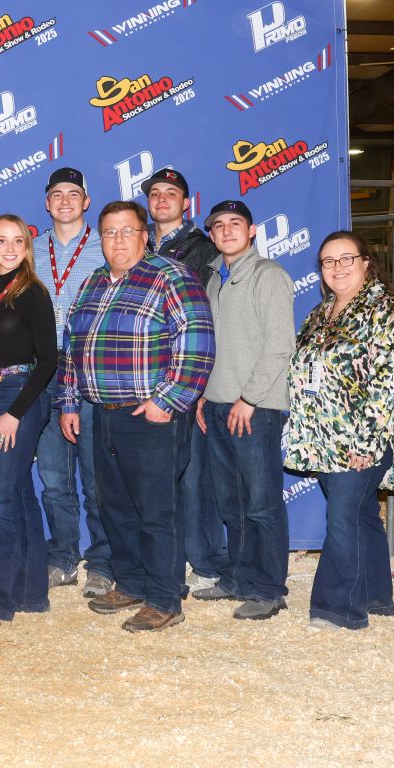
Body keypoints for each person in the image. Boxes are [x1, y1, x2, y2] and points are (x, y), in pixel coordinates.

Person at [61, 200, 214, 632]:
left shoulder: (171, 276)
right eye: (110, 232)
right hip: (102, 413)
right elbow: (72, 348)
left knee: (156, 510)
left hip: (151, 415)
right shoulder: (93, 283)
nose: (118, 240)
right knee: (115, 506)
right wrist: (70, 402)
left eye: (127, 231)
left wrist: (169, 400)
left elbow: (197, 340)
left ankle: (165, 598)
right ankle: (130, 582)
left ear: (145, 236)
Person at [284, 231, 394, 631]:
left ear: (365, 263)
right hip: (323, 440)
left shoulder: (386, 314)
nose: (337, 268)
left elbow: (391, 385)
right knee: (360, 515)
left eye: (346, 259)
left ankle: (338, 609)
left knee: (342, 518)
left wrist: (368, 443)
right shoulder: (320, 313)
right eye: (328, 261)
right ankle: (376, 597)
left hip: (361, 440)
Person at [193, 200, 295, 620]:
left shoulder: (268, 276)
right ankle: (237, 576)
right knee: (231, 501)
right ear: (211, 234)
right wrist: (205, 393)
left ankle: (269, 589)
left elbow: (280, 345)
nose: (227, 230)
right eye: (218, 225)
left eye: (235, 223)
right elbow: (215, 346)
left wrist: (249, 399)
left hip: (256, 409)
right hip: (219, 406)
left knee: (261, 503)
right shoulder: (214, 278)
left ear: (251, 231)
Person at [0, 215, 58, 629]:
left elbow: (49, 361)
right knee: (20, 494)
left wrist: (15, 413)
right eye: (1, 240)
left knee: (1, 498)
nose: (9, 248)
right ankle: (30, 593)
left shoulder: (33, 293)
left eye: (17, 241)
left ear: (27, 247)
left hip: (21, 396)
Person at [143, 167, 226, 592]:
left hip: (185, 373)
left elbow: (210, 314)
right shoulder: (136, 243)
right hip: (143, 375)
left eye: (170, 193)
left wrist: (201, 381)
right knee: (153, 478)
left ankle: (205, 561)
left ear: (186, 202)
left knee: (193, 477)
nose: (162, 199)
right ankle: (163, 561)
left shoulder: (204, 249)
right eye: (155, 193)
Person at [30, 167, 112, 598]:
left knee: (98, 479)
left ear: (87, 201)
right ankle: (62, 557)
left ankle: (103, 563)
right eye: (57, 194)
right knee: (54, 477)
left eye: (73, 194)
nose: (65, 201)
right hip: (45, 370)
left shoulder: (108, 245)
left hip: (93, 370)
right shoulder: (30, 249)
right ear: (46, 202)